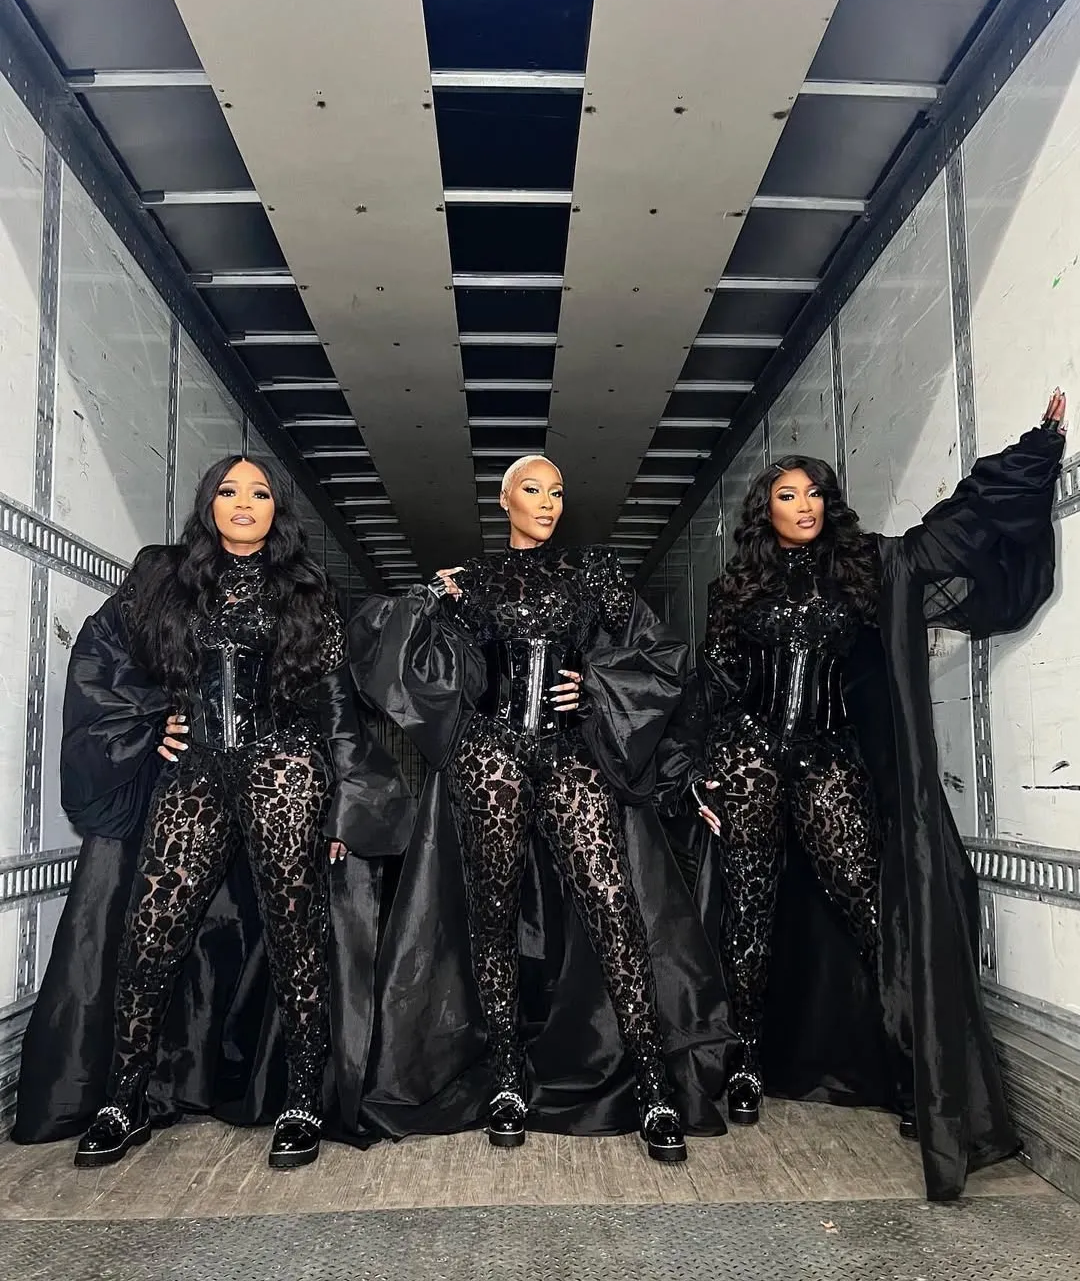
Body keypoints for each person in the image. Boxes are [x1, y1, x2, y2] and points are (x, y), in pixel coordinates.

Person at [658, 392, 1066, 1201]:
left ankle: (916, 1074)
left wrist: (1036, 449)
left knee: (874, 916)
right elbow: (715, 683)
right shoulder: (738, 588)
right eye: (788, 495)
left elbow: (952, 532)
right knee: (748, 913)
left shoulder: (866, 567)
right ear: (766, 511)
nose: (805, 506)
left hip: (826, 757)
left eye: (814, 492)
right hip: (749, 758)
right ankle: (744, 1062)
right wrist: (693, 768)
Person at [12, 456, 413, 1169]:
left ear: (277, 509)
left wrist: (347, 805)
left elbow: (335, 708)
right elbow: (107, 659)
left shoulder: (306, 590)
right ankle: (125, 1097)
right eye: (229, 491)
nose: (244, 503)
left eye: (260, 493)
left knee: (296, 934)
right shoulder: (164, 578)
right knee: (151, 931)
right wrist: (150, 720)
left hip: (283, 769)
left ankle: (301, 1099)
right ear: (209, 504)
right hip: (196, 768)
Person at [351, 455, 739, 1161]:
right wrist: (428, 595)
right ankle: (506, 1076)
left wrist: (595, 684)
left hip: (567, 750)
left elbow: (662, 655)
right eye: (532, 489)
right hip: (491, 755)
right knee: (491, 912)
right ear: (504, 499)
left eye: (558, 491)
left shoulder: (593, 571)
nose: (548, 502)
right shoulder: (473, 580)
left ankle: (654, 1086)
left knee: (613, 902)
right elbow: (386, 646)